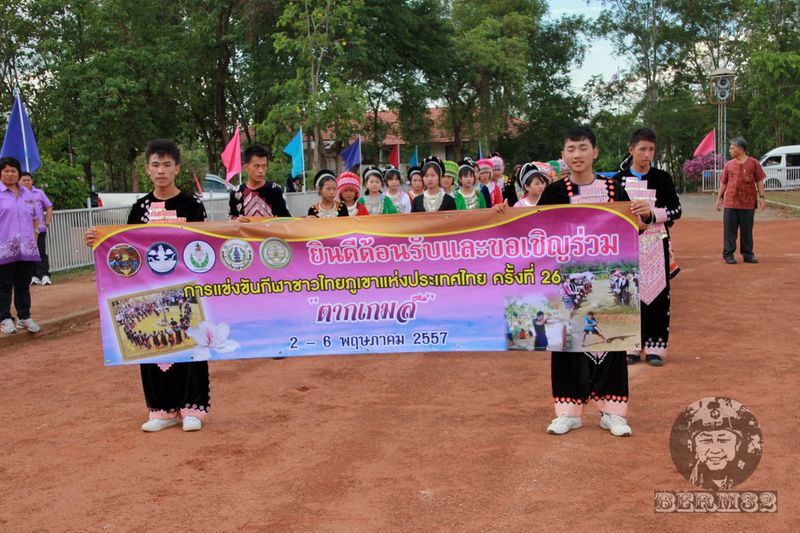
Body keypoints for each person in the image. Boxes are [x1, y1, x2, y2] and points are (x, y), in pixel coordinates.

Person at [535, 126, 655, 438]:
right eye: (571, 149)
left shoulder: (615, 190)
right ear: (563, 155)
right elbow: (531, 231)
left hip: (607, 277)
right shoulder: (554, 193)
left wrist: (645, 216)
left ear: (595, 152)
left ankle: (612, 413)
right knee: (565, 344)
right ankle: (568, 413)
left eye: (583, 148)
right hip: (565, 279)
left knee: (612, 341)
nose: (577, 155)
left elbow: (635, 228)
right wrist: (500, 215)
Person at [84, 139, 210, 433]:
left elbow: (204, 244)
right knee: (150, 346)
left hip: (185, 289)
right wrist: (98, 240)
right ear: (147, 170)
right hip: (148, 290)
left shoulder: (192, 205)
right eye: (156, 165)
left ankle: (192, 408)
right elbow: (124, 245)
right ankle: (161, 409)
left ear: (177, 168)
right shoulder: (139, 207)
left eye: (167, 165)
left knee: (191, 345)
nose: (161, 170)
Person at [615, 128, 682, 367]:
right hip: (627, 245)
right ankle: (631, 346)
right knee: (628, 294)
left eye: (651, 149)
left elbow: (676, 210)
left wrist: (652, 214)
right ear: (631, 149)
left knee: (659, 295)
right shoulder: (618, 180)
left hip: (656, 244)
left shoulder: (662, 178)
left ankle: (656, 348)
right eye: (642, 149)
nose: (647, 154)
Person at [0, 157, 41, 335]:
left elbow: (35, 217)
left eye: (13, 171)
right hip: (4, 248)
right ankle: (4, 318)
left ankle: (24, 316)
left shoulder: (27, 194)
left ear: (18, 173)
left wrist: (35, 235)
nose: (10, 174)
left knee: (23, 284)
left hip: (26, 248)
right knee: (4, 284)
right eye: (6, 171)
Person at [715, 137, 766, 264]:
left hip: (748, 203)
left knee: (747, 231)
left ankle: (748, 254)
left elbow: (759, 181)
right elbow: (723, 182)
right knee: (729, 231)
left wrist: (762, 197)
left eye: (732, 148)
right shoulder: (728, 164)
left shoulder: (754, 163)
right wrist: (719, 198)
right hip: (730, 202)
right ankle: (728, 255)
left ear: (741, 149)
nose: (730, 150)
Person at [229, 144, 291, 220]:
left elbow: (287, 219)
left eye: (264, 166)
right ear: (245, 167)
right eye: (256, 166)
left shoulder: (275, 190)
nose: (261, 170)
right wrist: (236, 220)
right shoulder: (236, 192)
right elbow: (229, 219)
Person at [19, 172, 53, 285]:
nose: (26, 182)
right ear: (19, 181)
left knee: (40, 251)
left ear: (32, 181)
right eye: (23, 180)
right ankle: (33, 276)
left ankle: (44, 275)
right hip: (24, 230)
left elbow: (49, 207)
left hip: (39, 228)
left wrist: (46, 223)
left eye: (28, 180)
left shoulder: (39, 193)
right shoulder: (17, 194)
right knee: (28, 253)